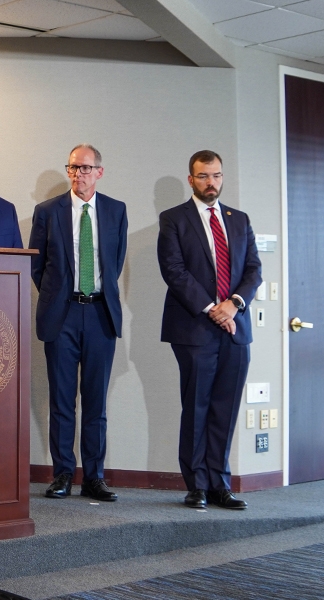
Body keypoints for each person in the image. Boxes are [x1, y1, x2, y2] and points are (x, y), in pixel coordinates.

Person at [158, 150, 261, 510]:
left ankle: (220, 482)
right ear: (191, 179)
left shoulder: (239, 219)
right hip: (194, 328)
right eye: (203, 176)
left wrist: (233, 304)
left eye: (216, 175)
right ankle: (197, 484)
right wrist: (213, 309)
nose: (210, 183)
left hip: (236, 328)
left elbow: (253, 271)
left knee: (225, 407)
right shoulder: (173, 219)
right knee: (197, 406)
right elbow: (174, 271)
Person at [29, 144, 127, 502]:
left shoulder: (116, 211)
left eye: (86, 168)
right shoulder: (47, 211)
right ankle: (63, 474)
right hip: (63, 314)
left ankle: (94, 477)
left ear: (99, 171)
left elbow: (113, 264)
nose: (78, 174)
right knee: (62, 400)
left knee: (96, 403)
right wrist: (59, 297)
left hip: (101, 314)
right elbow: (37, 266)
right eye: (73, 168)